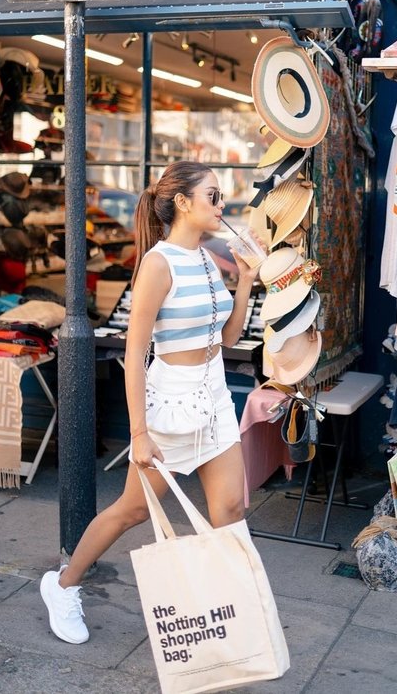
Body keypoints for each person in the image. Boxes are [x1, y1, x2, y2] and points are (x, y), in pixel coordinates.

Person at [40, 161, 264, 644]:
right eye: (213, 196)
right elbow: (135, 349)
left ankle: (232, 621)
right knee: (132, 511)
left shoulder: (208, 258)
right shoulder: (158, 263)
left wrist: (245, 279)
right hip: (171, 404)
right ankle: (62, 585)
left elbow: (226, 338)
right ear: (183, 202)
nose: (221, 206)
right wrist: (138, 433)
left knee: (229, 513)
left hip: (215, 400)